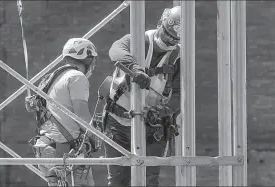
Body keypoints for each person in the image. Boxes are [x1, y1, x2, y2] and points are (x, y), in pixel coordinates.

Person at [102, 6, 182, 187]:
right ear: (161, 23)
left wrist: (164, 110)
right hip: (118, 123)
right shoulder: (138, 39)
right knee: (118, 181)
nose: (169, 40)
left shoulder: (178, 56)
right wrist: (136, 70)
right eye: (167, 34)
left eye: (174, 39)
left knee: (148, 180)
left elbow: (179, 94)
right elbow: (116, 51)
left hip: (152, 127)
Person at [25, 38, 98, 186]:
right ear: (87, 58)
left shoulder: (51, 78)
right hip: (65, 153)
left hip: (45, 150)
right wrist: (96, 137)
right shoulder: (77, 77)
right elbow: (81, 115)